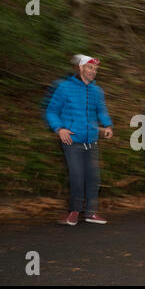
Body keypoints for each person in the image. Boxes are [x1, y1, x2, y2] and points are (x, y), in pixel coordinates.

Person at [46, 55, 113, 226]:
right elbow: (52, 111)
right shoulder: (65, 87)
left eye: (96, 70)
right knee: (77, 176)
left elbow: (102, 111)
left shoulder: (97, 91)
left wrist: (107, 125)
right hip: (72, 141)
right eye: (90, 68)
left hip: (91, 140)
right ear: (81, 68)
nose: (93, 72)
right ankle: (74, 211)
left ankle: (91, 212)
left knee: (93, 177)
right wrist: (59, 128)